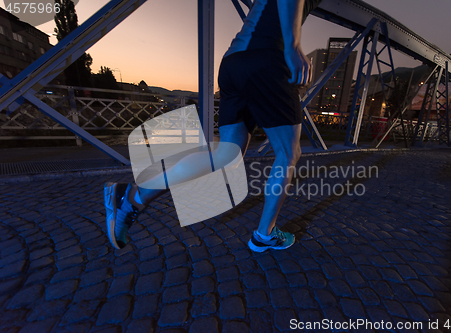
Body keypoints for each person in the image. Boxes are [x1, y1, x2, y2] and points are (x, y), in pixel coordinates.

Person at [104, 0, 322, 252]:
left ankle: (131, 197)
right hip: (267, 57)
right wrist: (292, 45)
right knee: (288, 153)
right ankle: (265, 234)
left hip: (233, 63)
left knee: (224, 155)